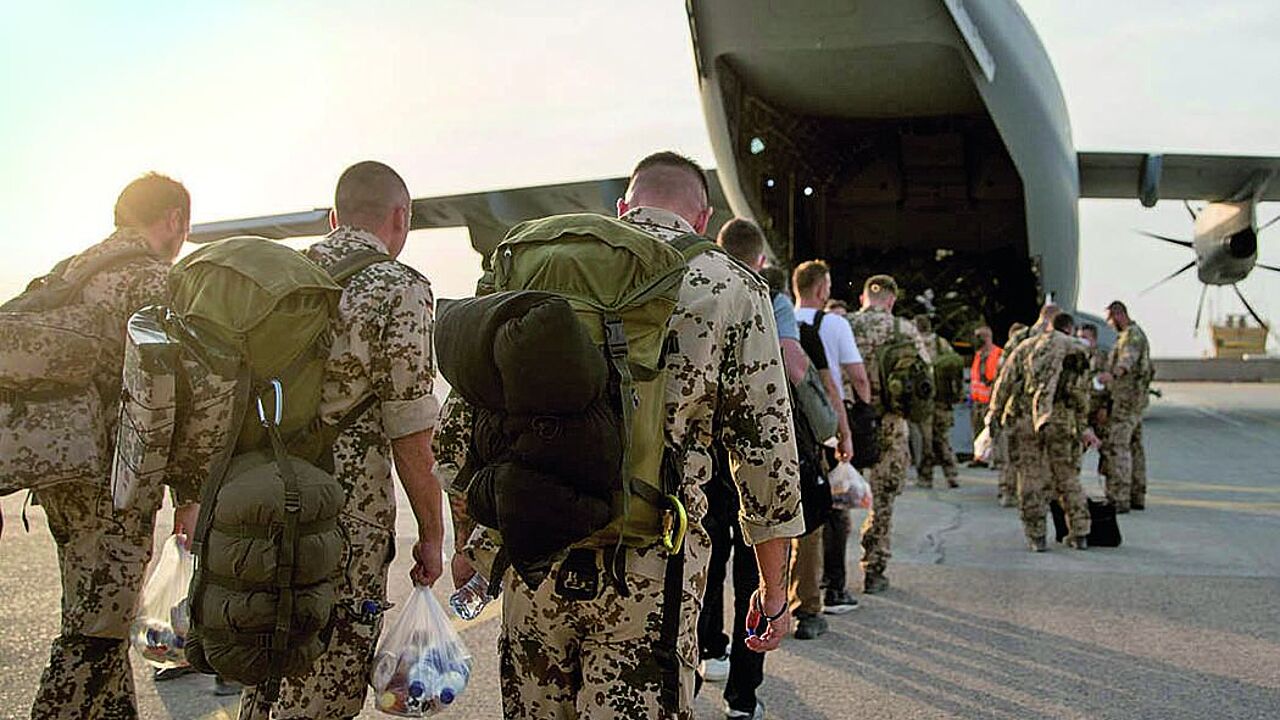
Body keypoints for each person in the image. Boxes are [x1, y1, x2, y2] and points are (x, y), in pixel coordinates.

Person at [440, 152, 803, 720]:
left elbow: (461, 428)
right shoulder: (731, 285)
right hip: (652, 569)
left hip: (534, 550)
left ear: (621, 209)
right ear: (702, 218)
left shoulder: (536, 268)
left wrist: (470, 545)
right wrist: (774, 590)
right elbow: (767, 458)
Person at [239, 161, 445, 719]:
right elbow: (410, 430)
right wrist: (432, 533)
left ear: (334, 218)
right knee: (327, 676)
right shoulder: (399, 288)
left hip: (257, 498)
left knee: (270, 665)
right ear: (400, 218)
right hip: (343, 515)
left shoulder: (279, 278)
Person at [27, 173, 189, 720]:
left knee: (101, 620)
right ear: (174, 219)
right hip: (116, 488)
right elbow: (182, 397)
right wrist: (190, 492)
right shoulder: (155, 282)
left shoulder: (70, 272)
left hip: (61, 475)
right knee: (91, 640)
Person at [694, 219, 806, 710]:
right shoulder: (768, 296)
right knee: (751, 572)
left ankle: (707, 651)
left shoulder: (694, 283)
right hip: (751, 449)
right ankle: (742, 695)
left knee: (704, 560)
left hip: (702, 455)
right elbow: (794, 368)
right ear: (760, 259)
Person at [793, 260, 871, 617]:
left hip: (791, 427)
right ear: (822, 288)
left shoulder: (782, 320)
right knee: (835, 508)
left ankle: (794, 588)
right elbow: (856, 377)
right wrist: (856, 422)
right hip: (827, 426)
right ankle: (834, 587)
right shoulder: (836, 324)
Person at [848, 275, 931, 594]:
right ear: (892, 300)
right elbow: (924, 378)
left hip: (848, 422)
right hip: (890, 424)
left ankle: (829, 574)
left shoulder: (844, 325)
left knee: (836, 496)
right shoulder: (904, 330)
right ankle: (874, 568)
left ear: (863, 298)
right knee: (882, 500)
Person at [1020, 313, 1100, 551]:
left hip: (1031, 418)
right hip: (1063, 421)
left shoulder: (1028, 347)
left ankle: (1036, 536)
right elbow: (1083, 395)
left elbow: (1007, 381)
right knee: (1067, 476)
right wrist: (1083, 425)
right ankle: (1080, 532)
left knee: (1032, 476)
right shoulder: (1078, 351)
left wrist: (998, 415)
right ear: (1069, 329)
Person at [1098, 301, 1152, 512]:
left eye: (1110, 319)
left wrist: (1112, 375)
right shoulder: (1130, 335)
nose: (1110, 324)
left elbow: (1128, 360)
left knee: (1118, 446)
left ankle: (1119, 497)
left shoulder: (1131, 336)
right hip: (1134, 402)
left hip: (1125, 401)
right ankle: (1137, 494)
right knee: (1135, 447)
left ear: (1118, 315)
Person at [913, 315, 960, 488]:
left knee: (925, 441)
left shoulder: (914, 345)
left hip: (923, 401)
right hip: (942, 401)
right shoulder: (941, 343)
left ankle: (925, 477)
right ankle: (951, 474)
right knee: (942, 439)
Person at [969, 325, 1002, 454]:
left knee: (991, 435)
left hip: (990, 403)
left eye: (978, 337)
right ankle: (978, 457)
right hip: (977, 403)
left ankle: (993, 458)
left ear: (987, 337)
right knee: (977, 436)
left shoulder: (998, 354)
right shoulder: (978, 355)